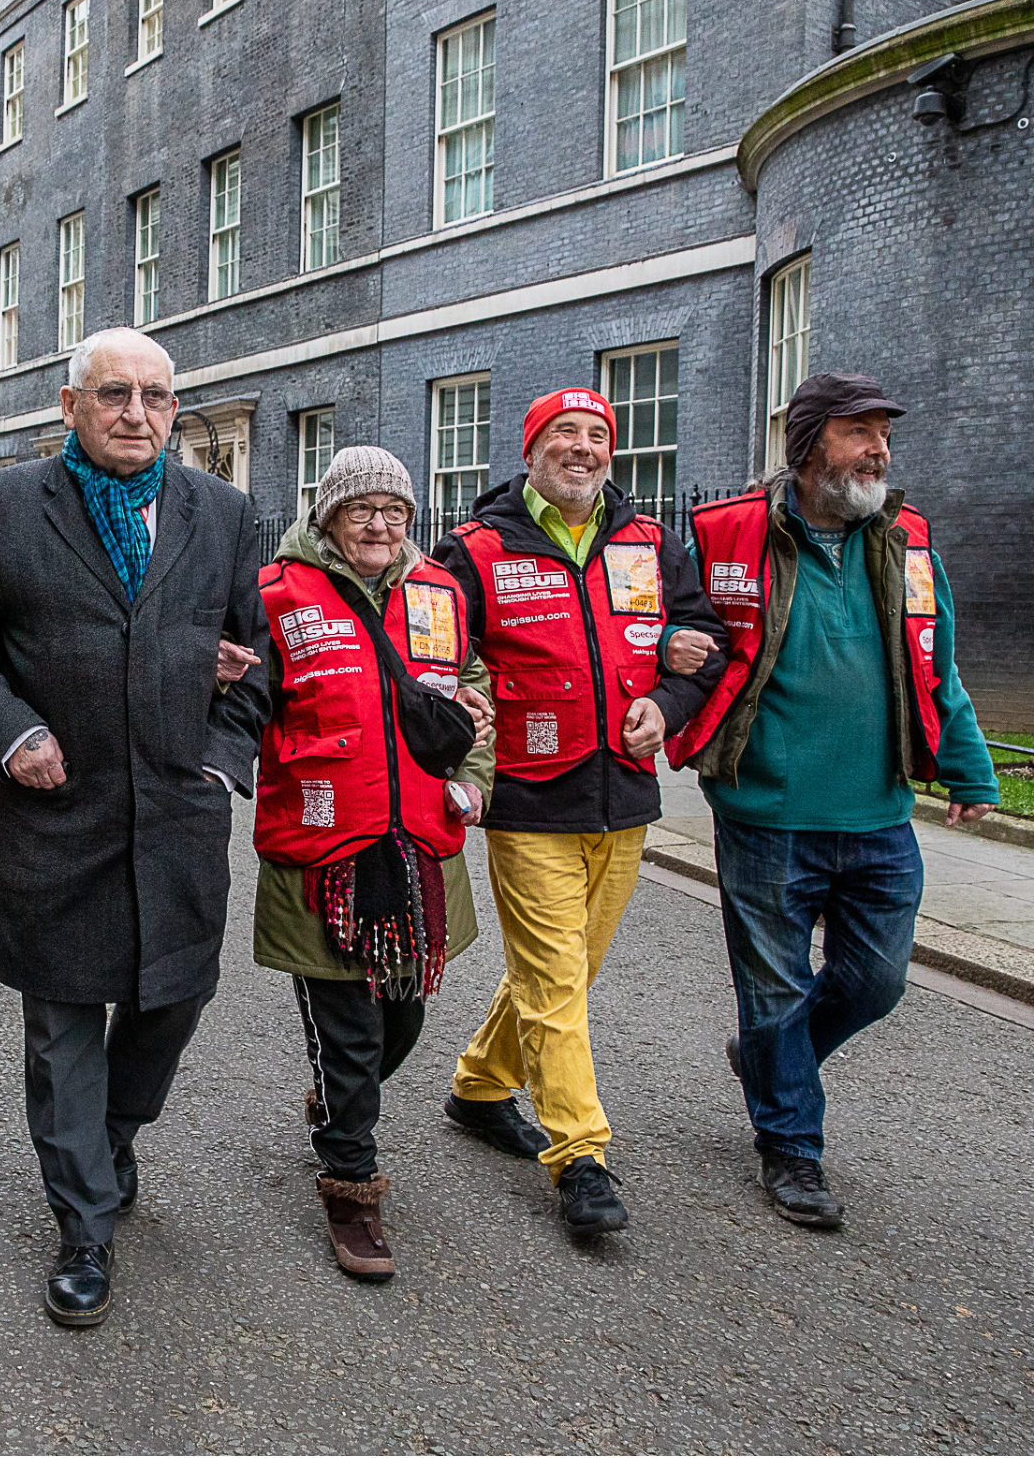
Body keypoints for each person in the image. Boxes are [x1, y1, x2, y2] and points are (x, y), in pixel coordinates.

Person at [0, 327, 268, 1327]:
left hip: (176, 811)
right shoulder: (0, 509)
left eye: (156, 397)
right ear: (67, 409)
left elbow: (256, 658)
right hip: (56, 811)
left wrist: (218, 761)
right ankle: (82, 1222)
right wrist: (11, 731)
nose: (136, 413)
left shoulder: (224, 513)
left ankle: (112, 1133)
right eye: (113, 394)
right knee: (62, 1025)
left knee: (171, 1002)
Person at [668, 372, 1000, 1230]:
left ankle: (771, 1061)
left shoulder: (908, 541)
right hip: (766, 807)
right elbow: (670, 621)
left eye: (884, 433)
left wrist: (969, 769)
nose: (880, 449)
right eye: (861, 433)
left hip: (880, 810)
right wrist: (676, 647)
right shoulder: (728, 532)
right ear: (811, 443)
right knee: (773, 989)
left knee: (876, 981)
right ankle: (792, 1150)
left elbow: (938, 661)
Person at [434, 387, 725, 1239]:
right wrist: (464, 716)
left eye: (598, 435)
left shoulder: (650, 542)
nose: (584, 448)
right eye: (564, 434)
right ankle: (581, 1158)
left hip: (625, 798)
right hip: (529, 799)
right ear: (530, 452)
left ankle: (481, 1087)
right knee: (558, 981)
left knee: (565, 970)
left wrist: (670, 701)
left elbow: (702, 639)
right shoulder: (477, 550)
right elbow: (438, 653)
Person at [252, 446, 498, 1281]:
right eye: (361, 509)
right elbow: (241, 700)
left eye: (394, 510)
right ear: (328, 516)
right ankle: (351, 1185)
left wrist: (472, 775)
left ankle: (335, 1099)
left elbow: (474, 686)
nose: (379, 524)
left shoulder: (439, 592)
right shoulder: (276, 596)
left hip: (420, 843)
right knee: (349, 1032)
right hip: (323, 848)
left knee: (404, 1017)